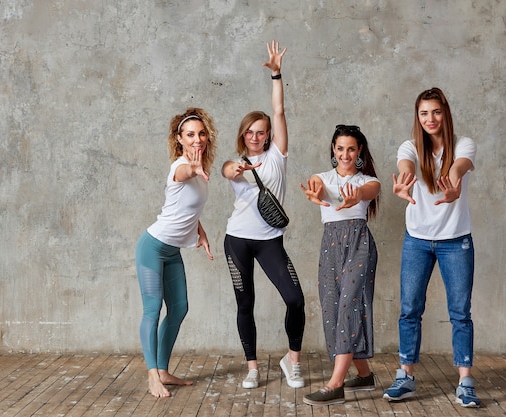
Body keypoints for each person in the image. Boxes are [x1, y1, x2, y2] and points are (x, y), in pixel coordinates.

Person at [383, 87, 480, 408]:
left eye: (435, 112)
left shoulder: (463, 145)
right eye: (424, 113)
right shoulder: (409, 147)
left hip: (456, 241)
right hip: (418, 241)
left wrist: (452, 183)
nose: (430, 119)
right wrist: (404, 181)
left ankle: (465, 382)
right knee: (410, 310)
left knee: (460, 313)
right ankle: (405, 376)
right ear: (418, 117)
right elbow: (406, 166)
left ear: (445, 113)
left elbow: (460, 166)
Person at [222, 40, 305, 390]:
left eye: (261, 131)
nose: (256, 136)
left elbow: (280, 109)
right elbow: (227, 169)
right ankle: (253, 368)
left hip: (270, 242)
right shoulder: (236, 161)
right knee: (246, 303)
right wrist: (234, 169)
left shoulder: (277, 155)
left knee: (295, 300)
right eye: (250, 132)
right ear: (244, 135)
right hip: (237, 240)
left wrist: (276, 74)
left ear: (269, 133)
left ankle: (292, 360)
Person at [135, 108, 217, 398]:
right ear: (179, 139)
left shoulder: (202, 171)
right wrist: (192, 168)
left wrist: (201, 233)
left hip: (172, 252)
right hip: (153, 247)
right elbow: (182, 175)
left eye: (201, 133)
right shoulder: (180, 167)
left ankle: (164, 370)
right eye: (190, 135)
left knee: (179, 309)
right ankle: (152, 375)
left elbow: (189, 209)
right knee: (153, 310)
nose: (198, 139)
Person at [300, 125, 381, 406]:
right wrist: (316, 194)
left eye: (351, 149)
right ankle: (364, 375)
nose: (345, 154)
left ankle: (335, 384)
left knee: (349, 306)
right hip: (330, 245)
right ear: (333, 150)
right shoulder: (322, 177)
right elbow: (317, 187)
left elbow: (370, 190)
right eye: (340, 148)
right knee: (332, 307)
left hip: (359, 243)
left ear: (359, 152)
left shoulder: (368, 181)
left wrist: (356, 196)